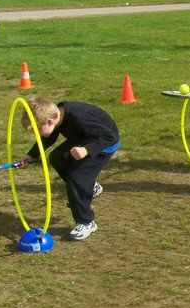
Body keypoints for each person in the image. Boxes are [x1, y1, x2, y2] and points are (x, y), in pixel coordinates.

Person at [18, 96, 120, 240]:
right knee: (56, 158)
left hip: (103, 145)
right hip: (84, 140)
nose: (35, 134)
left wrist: (87, 149)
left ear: (50, 121)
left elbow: (110, 137)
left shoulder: (78, 117)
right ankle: (90, 187)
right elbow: (48, 137)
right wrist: (31, 155)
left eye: (36, 130)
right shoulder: (58, 114)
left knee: (77, 176)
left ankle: (86, 222)